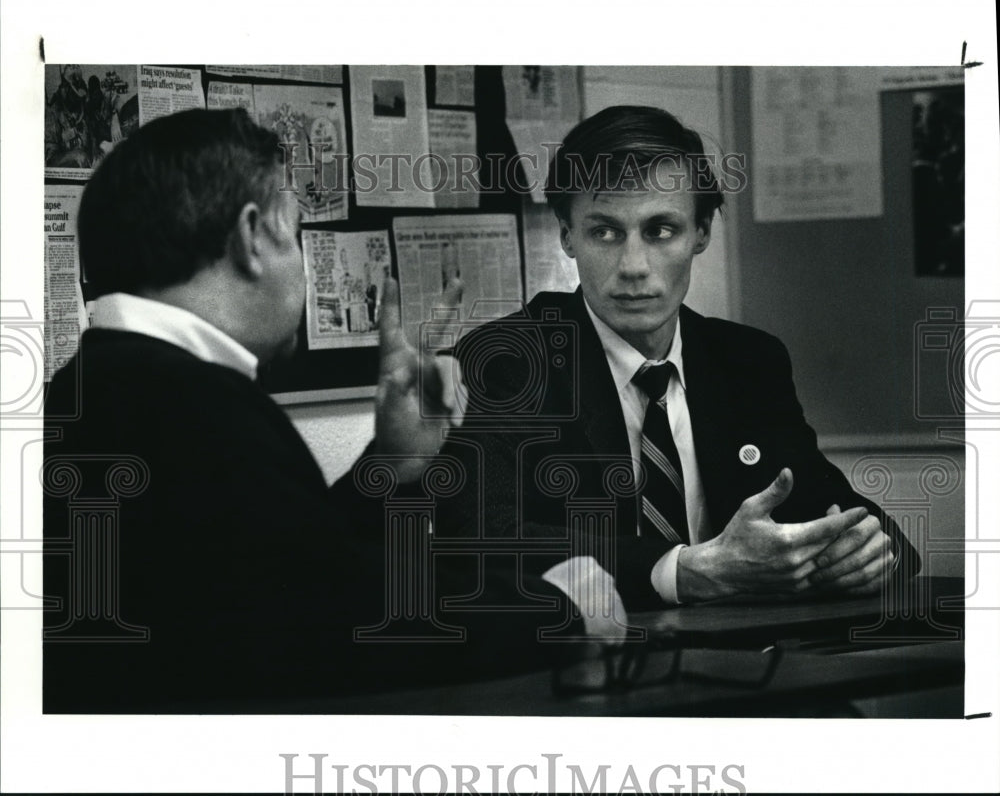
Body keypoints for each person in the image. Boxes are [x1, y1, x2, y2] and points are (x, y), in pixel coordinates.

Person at [42, 108, 614, 713]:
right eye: (297, 230)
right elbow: (344, 623)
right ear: (252, 237)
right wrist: (558, 607)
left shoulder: (100, 381)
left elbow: (290, 568)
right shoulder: (193, 404)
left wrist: (392, 464)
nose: (305, 267)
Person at [436, 106, 920, 610]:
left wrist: (869, 553)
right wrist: (678, 571)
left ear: (702, 233)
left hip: (747, 662)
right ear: (566, 237)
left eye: (661, 230)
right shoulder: (507, 362)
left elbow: (839, 509)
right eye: (604, 232)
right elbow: (477, 537)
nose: (633, 267)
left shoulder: (748, 361)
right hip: (583, 664)